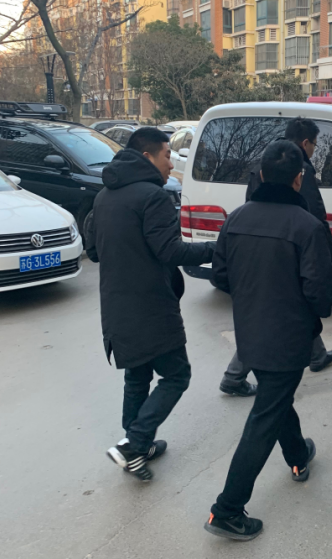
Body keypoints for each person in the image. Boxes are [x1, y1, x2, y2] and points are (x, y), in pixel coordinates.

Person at [205, 141, 332, 540]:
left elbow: (220, 276)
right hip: (288, 338)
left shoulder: (236, 218)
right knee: (265, 415)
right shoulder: (307, 226)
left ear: (262, 175)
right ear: (299, 179)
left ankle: (298, 455)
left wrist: (253, 295)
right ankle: (227, 510)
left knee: (274, 400)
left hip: (250, 332)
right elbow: (320, 293)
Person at [85, 128, 215, 482]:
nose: (171, 164)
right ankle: (135, 443)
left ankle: (135, 448)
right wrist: (217, 249)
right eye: (167, 156)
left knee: (138, 376)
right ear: (147, 157)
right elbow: (170, 251)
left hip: (116, 306)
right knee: (177, 375)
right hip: (151, 306)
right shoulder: (153, 197)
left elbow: (93, 251)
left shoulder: (104, 195)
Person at [219, 118, 332, 398]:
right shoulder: (299, 178)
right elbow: (313, 215)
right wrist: (323, 258)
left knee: (269, 313)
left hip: (261, 252)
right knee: (279, 316)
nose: (314, 150)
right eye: (315, 145)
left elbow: (221, 274)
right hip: (288, 253)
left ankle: (317, 354)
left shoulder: (260, 172)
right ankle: (234, 375)